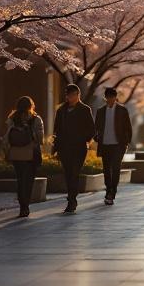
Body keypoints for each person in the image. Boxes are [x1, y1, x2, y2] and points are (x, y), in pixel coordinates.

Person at [53, 84, 95, 214]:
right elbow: (57, 130)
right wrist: (56, 146)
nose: (70, 98)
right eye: (68, 95)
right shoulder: (61, 110)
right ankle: (71, 198)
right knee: (68, 174)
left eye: (72, 95)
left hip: (79, 147)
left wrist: (84, 139)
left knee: (74, 173)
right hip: (64, 147)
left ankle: (72, 200)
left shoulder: (85, 109)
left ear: (78, 95)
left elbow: (91, 129)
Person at [2, 96, 44, 218]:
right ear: (31, 106)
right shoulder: (36, 119)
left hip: (16, 154)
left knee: (20, 180)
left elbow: (6, 138)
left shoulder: (12, 118)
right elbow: (40, 139)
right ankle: (26, 205)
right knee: (29, 181)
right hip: (31, 154)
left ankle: (22, 206)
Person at [95, 87, 132, 206]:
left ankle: (112, 192)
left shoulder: (122, 110)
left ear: (116, 97)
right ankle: (108, 189)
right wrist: (96, 137)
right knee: (106, 169)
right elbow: (96, 127)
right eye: (108, 97)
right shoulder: (100, 111)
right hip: (105, 144)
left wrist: (126, 142)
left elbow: (128, 128)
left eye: (112, 97)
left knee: (115, 169)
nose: (110, 99)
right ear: (105, 98)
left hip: (118, 145)